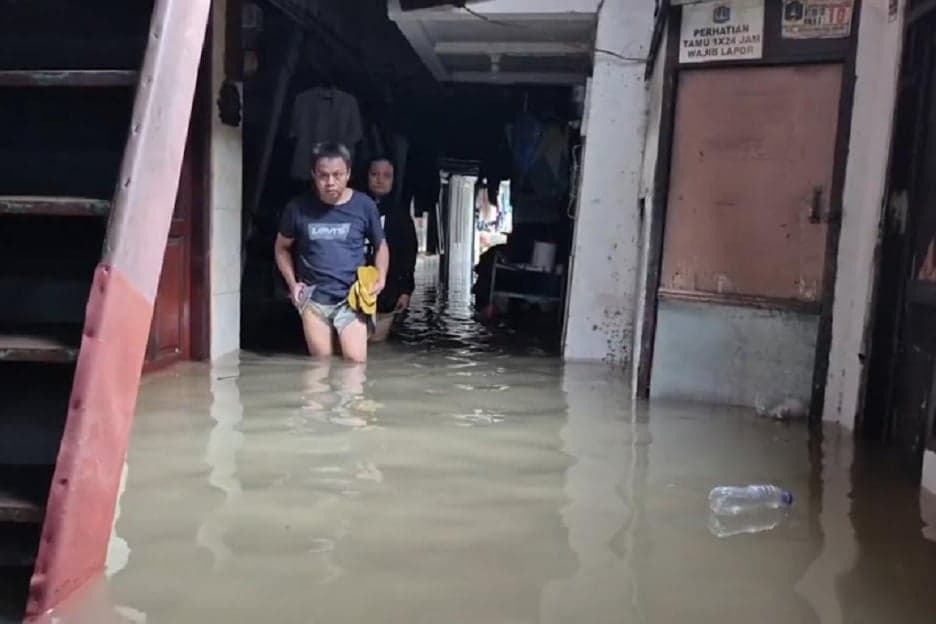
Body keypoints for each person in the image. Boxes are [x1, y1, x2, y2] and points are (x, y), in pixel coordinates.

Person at [275, 143, 389, 362]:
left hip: (352, 298)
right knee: (320, 366)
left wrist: (381, 276)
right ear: (313, 175)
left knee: (355, 364)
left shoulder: (364, 206)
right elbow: (281, 248)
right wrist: (292, 283)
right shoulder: (297, 208)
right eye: (323, 176)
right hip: (313, 299)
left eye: (337, 175)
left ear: (348, 173)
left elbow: (381, 245)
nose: (330, 182)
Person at [365, 156, 418, 342]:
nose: (380, 179)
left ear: (394, 180)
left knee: (377, 345)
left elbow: (409, 255)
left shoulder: (401, 216)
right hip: (353, 288)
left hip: (388, 290)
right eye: (374, 174)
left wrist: (406, 290)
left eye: (386, 175)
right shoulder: (353, 209)